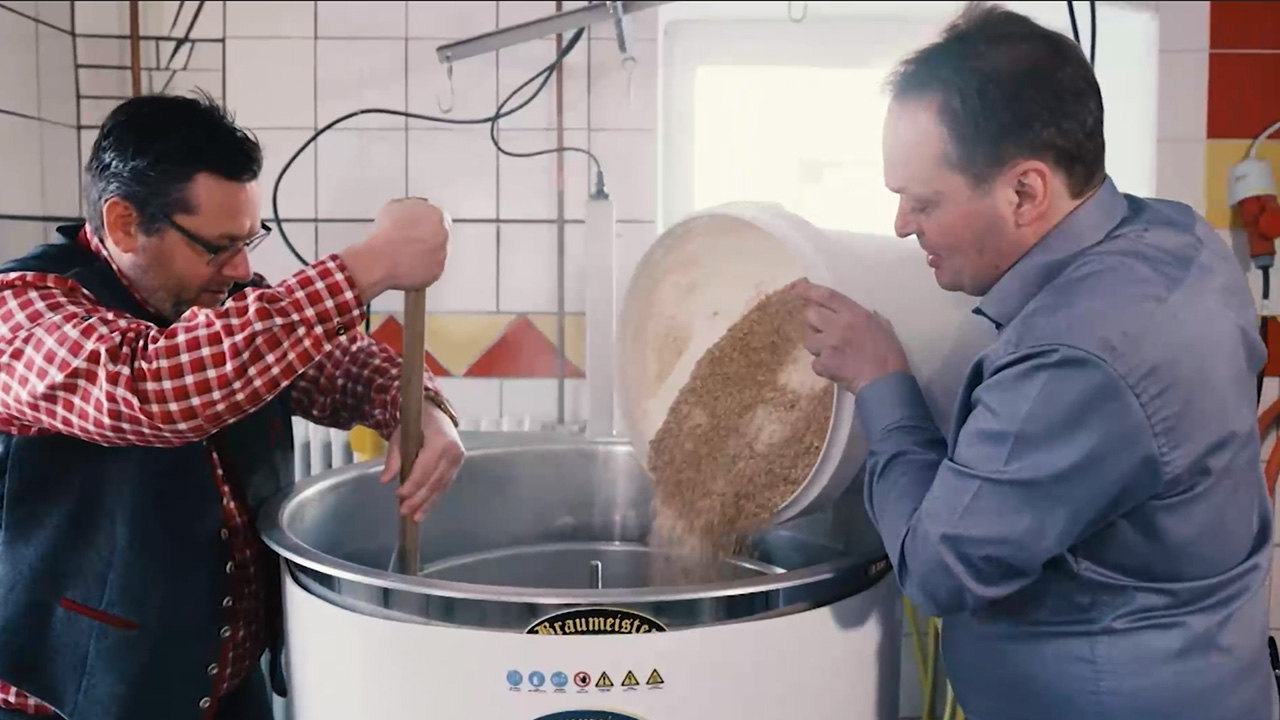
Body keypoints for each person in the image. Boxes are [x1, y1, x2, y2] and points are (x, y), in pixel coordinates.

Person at [793, 4, 1275, 720]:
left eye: (924, 202)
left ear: (1025, 192)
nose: (900, 226)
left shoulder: (1075, 358)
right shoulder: (1178, 238)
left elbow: (936, 569)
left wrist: (881, 381)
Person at [0, 92, 464, 720]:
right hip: (78, 703)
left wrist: (419, 409)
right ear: (125, 224)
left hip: (233, 690)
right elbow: (152, 389)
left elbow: (335, 365)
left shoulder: (227, 302)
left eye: (248, 240)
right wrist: (369, 265)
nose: (242, 268)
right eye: (217, 247)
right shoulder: (25, 308)